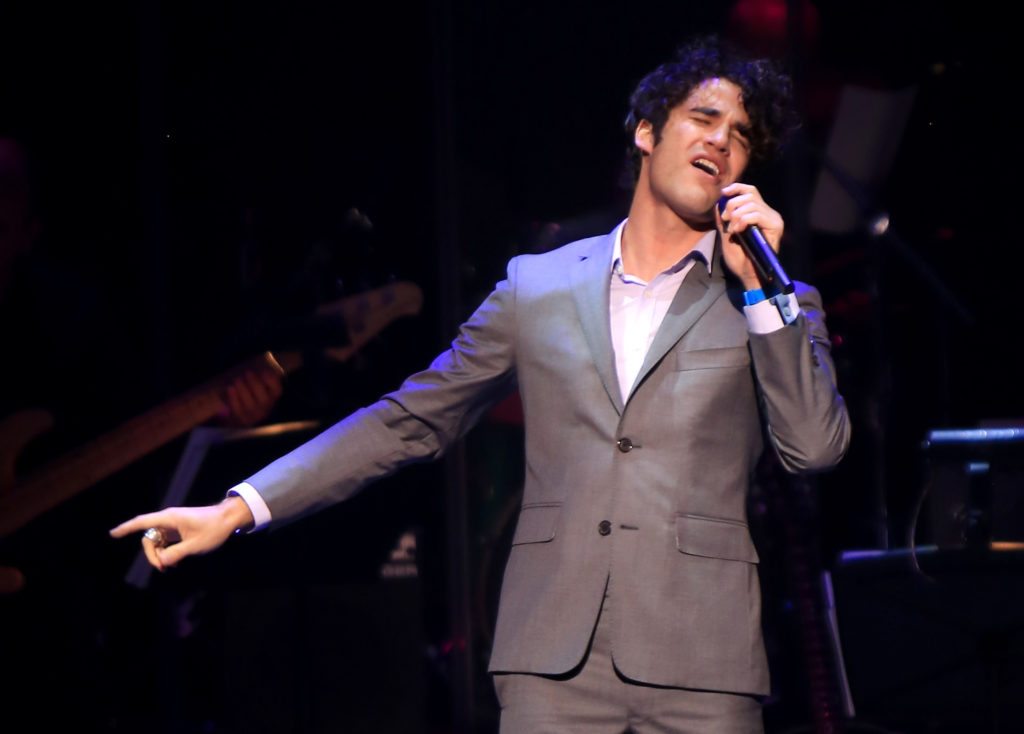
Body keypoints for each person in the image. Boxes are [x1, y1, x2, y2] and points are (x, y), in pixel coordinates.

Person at [112, 36, 850, 732]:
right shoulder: (540, 287)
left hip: (703, 661)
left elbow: (814, 448)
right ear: (648, 133)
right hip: (551, 666)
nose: (723, 139)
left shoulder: (775, 302)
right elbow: (408, 418)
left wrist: (762, 297)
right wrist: (239, 507)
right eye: (704, 116)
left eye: (743, 134)